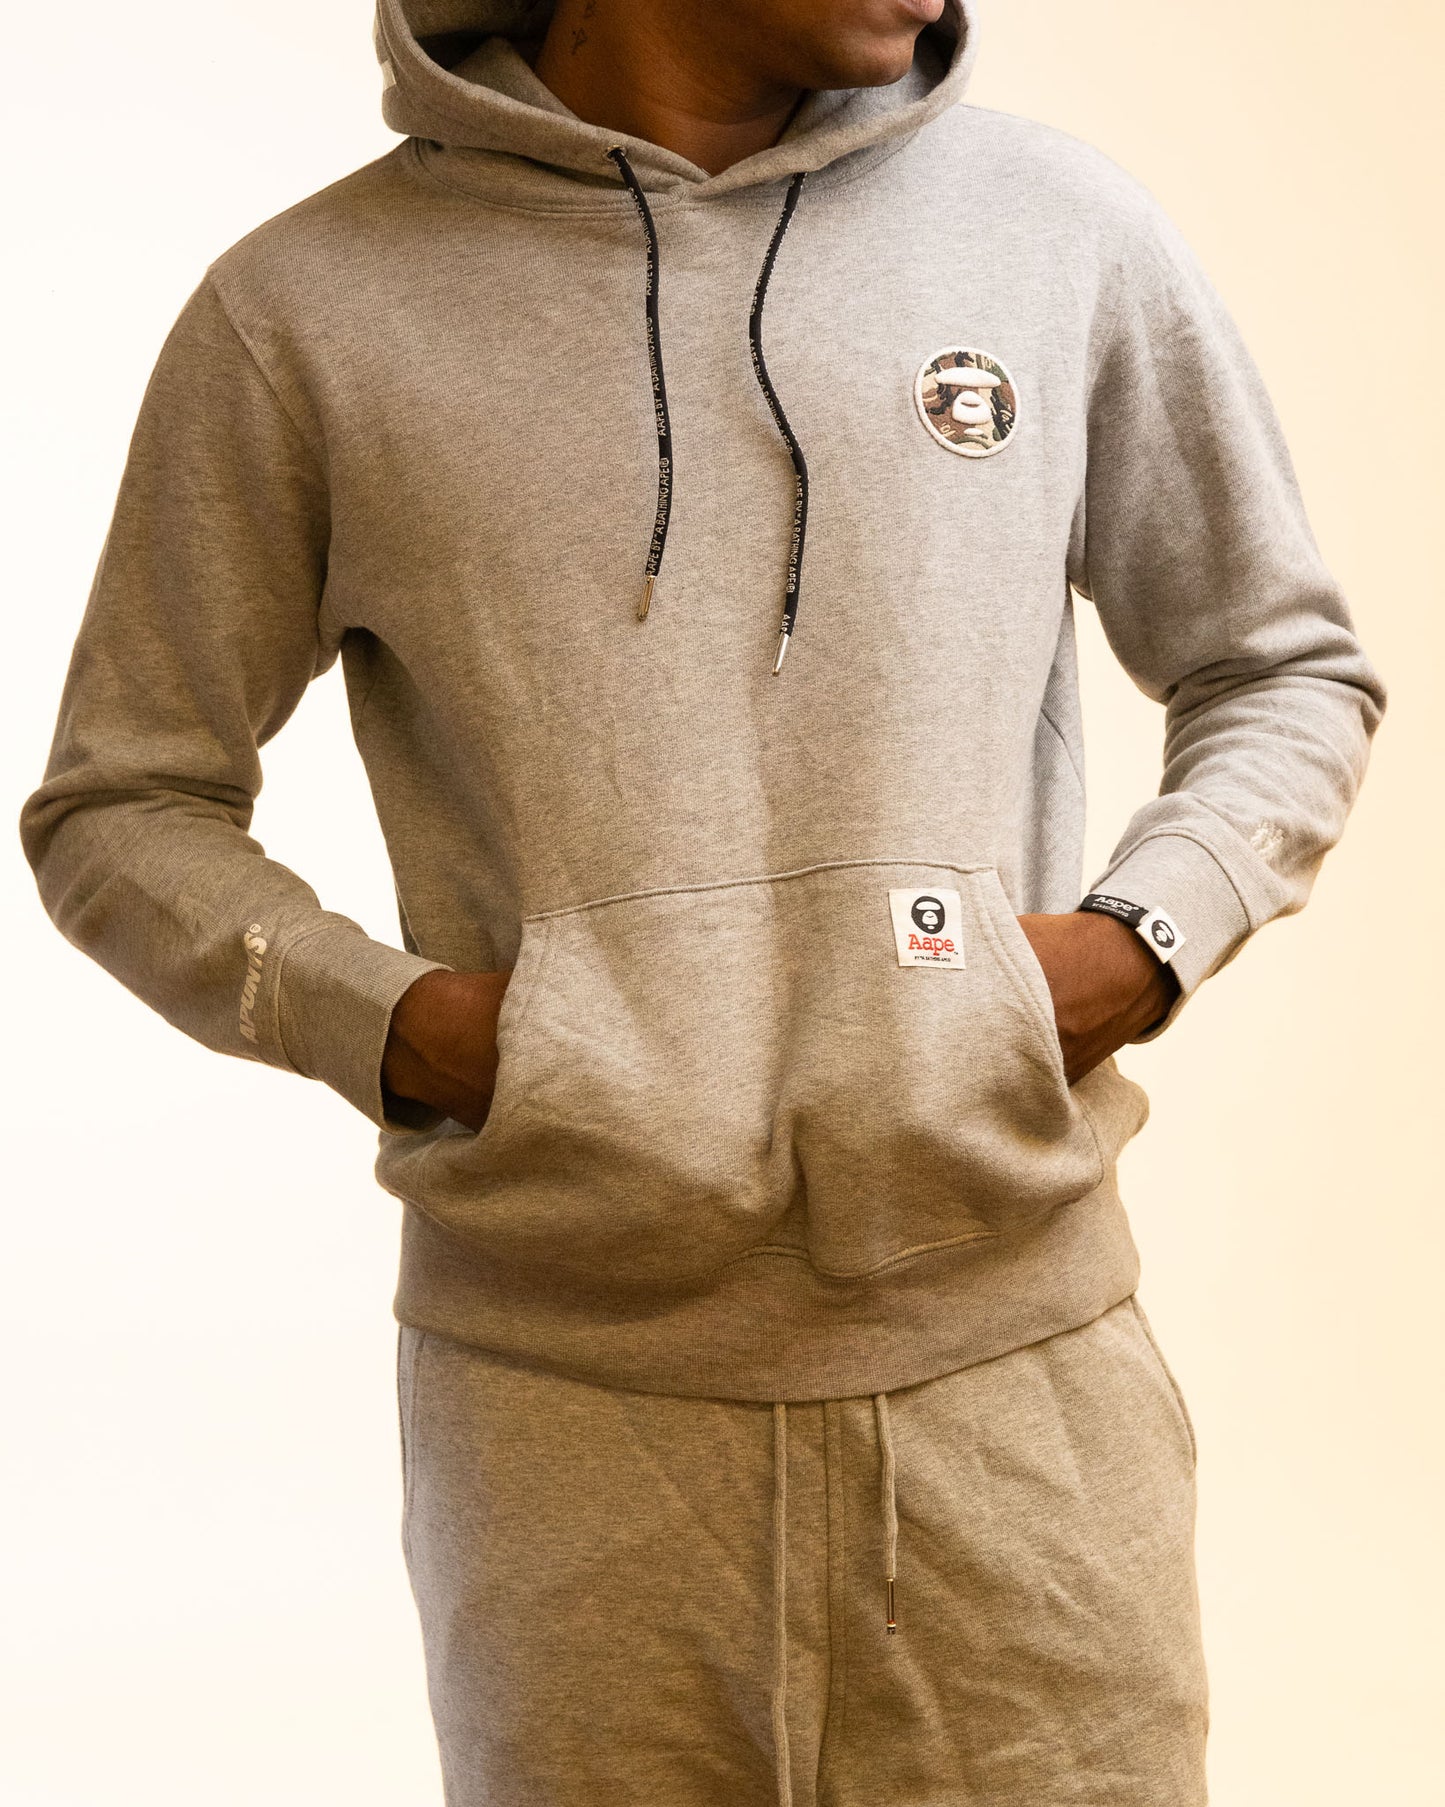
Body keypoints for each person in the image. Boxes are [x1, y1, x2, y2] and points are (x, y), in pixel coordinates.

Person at [18, 0, 1386, 1801]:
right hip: (564, 1428)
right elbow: (122, 805)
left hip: (1015, 1390)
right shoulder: (307, 310)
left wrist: (1134, 946)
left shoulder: (1061, 235)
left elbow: (1280, 666)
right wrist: (413, 1029)